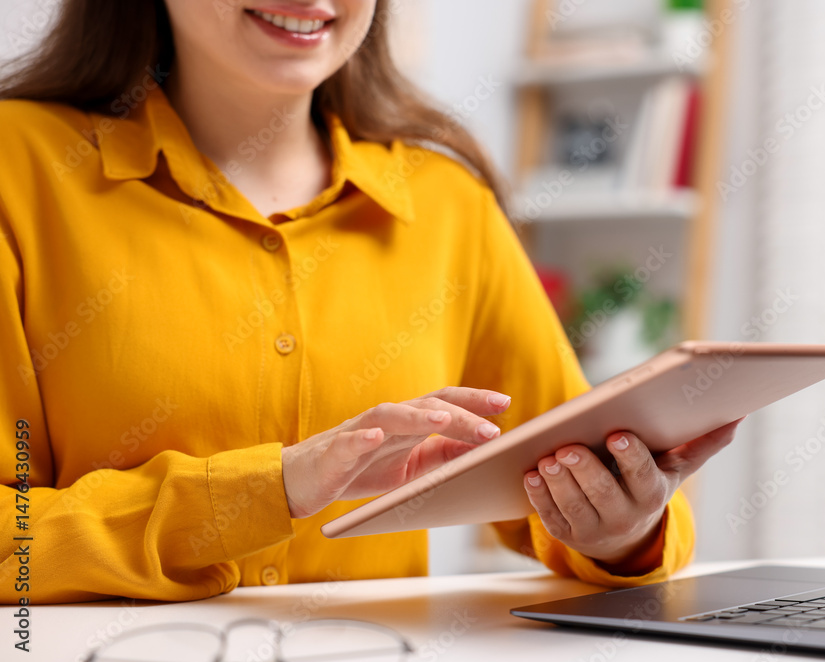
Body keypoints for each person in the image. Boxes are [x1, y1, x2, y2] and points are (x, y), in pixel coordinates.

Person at [0, 0, 740, 604]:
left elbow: (553, 469)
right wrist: (273, 486)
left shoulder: (448, 205)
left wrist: (615, 528)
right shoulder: (19, 169)